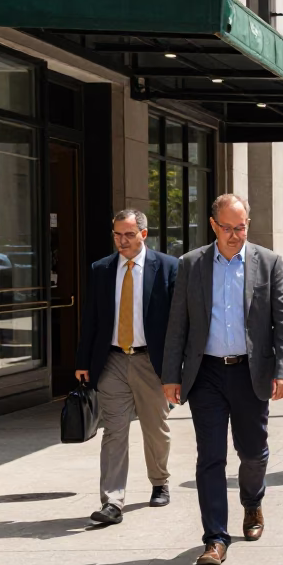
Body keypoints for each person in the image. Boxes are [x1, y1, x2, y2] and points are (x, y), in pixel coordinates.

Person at [162, 194, 283, 565]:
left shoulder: (267, 263)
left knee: (253, 453)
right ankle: (215, 538)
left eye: (241, 227)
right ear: (212, 225)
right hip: (206, 374)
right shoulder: (192, 264)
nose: (235, 235)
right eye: (228, 228)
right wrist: (171, 375)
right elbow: (178, 325)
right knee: (210, 457)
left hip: (251, 373)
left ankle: (252, 503)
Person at [75, 210, 179, 525]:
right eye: (118, 235)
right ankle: (112, 501)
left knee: (155, 428)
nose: (122, 241)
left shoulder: (168, 268)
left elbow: (178, 323)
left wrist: (176, 368)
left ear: (144, 234)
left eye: (129, 235)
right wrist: (83, 360)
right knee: (114, 430)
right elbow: (91, 317)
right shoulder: (102, 269)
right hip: (112, 360)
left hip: (151, 361)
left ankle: (159, 481)